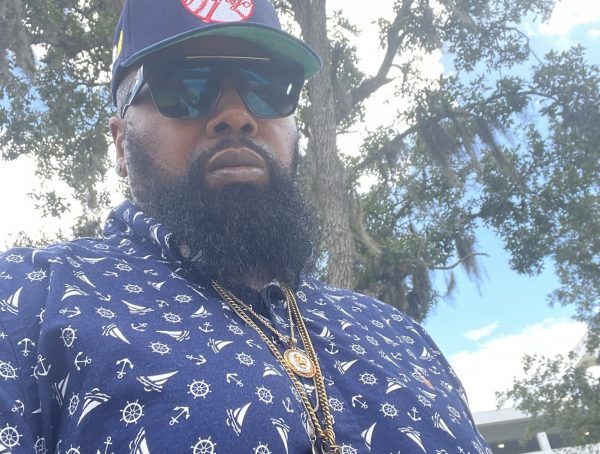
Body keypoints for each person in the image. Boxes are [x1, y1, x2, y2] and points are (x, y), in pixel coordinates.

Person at [0, 1, 491, 453]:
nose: (236, 116)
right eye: (186, 85)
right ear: (120, 142)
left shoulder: (398, 334)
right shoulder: (29, 297)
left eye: (268, 85)